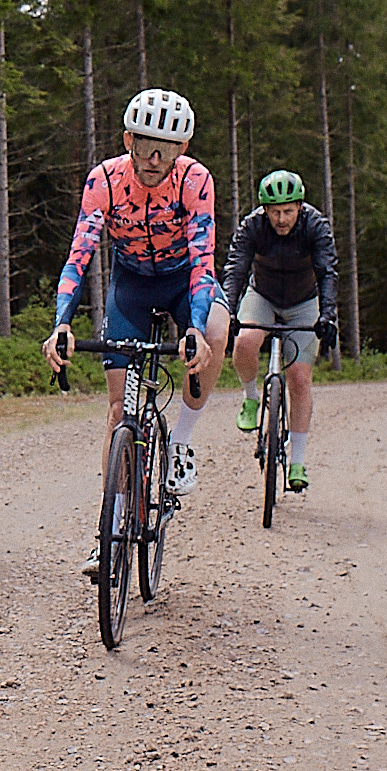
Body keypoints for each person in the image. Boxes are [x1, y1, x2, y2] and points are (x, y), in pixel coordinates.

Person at [40, 88, 230, 577]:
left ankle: (182, 442)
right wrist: (61, 322)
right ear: (127, 139)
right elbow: (79, 254)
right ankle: (112, 530)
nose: (152, 158)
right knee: (117, 411)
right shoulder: (103, 179)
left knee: (215, 326)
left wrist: (194, 328)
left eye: (165, 149)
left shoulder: (195, 180)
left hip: (183, 280)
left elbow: (204, 259)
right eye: (144, 145)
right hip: (130, 284)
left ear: (182, 149)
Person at [222, 169, 339, 492]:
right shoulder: (253, 227)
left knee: (299, 379)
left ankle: (297, 461)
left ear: (300, 207)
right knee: (245, 342)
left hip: (304, 300)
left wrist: (328, 315)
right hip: (263, 295)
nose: (282, 219)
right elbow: (236, 269)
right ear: (264, 210)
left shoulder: (315, 226)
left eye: (288, 211)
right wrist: (229, 311)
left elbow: (327, 271)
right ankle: (250, 398)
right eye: (275, 212)